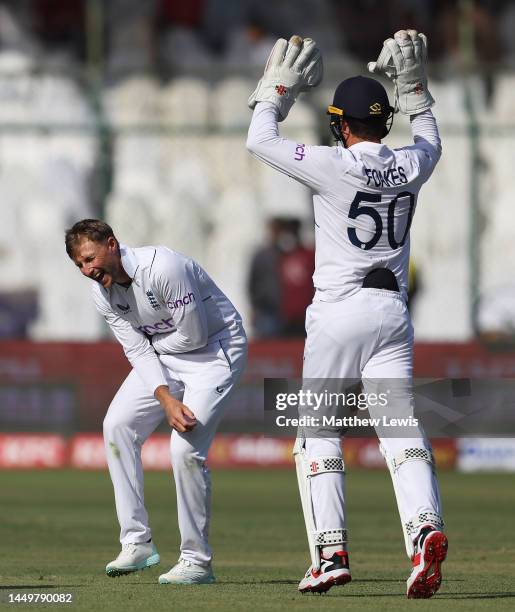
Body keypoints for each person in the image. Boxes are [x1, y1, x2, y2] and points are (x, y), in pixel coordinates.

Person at [247, 31, 447, 598]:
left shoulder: (332, 164)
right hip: (393, 313)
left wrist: (275, 91)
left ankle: (330, 554)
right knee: (402, 431)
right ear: (384, 122)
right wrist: (414, 88)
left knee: (316, 433)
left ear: (342, 124)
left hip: (339, 311)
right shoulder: (411, 163)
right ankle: (424, 531)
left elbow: (260, 140)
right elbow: (431, 139)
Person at [65, 219, 247, 585]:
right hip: (165, 355)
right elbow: (135, 350)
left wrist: (152, 352)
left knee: (184, 451)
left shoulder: (163, 267)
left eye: (89, 258)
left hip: (214, 352)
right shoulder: (102, 293)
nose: (87, 270)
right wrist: (164, 397)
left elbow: (193, 336)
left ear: (112, 244)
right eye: (79, 265)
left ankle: (197, 561)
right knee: (117, 425)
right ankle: (137, 543)